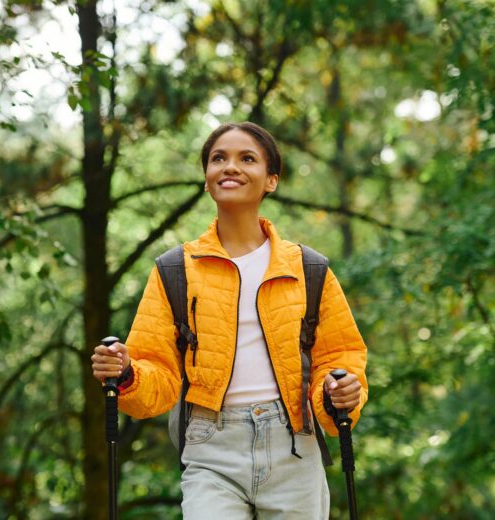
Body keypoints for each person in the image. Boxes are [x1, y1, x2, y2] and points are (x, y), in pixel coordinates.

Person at [91, 121, 368, 519]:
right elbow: (158, 374)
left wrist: (338, 392)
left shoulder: (308, 268)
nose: (230, 167)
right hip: (211, 446)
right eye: (218, 158)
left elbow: (340, 356)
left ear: (271, 180)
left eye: (247, 159)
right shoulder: (175, 269)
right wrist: (127, 371)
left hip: (294, 445)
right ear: (206, 180)